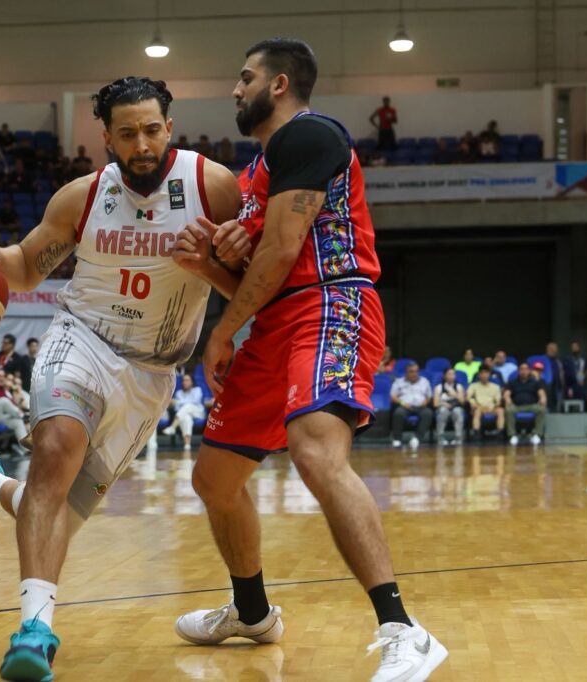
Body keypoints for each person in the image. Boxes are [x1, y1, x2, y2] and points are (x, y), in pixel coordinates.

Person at [0, 76, 246, 681]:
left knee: (56, 512)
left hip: (153, 371)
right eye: (127, 133)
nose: (142, 144)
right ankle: (35, 631)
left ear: (170, 128)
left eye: (152, 130)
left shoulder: (213, 187)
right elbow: (26, 268)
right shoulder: (80, 197)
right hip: (81, 338)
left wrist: (206, 266)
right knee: (55, 453)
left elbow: (251, 281)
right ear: (105, 137)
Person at [171, 40, 446, 682]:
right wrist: (207, 262)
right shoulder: (251, 181)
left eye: (246, 78)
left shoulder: (310, 134)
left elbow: (285, 246)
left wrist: (221, 333)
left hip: (332, 302)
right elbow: (255, 274)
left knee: (317, 452)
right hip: (276, 320)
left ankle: (404, 629)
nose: (235, 90)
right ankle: (252, 611)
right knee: (213, 479)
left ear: (280, 83)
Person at [390, 363, 434, 448]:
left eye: (416, 371)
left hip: (420, 406)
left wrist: (426, 401)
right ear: (406, 372)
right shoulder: (399, 382)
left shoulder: (424, 381)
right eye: (411, 371)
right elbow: (393, 396)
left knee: (428, 413)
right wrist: (402, 403)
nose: (414, 374)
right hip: (405, 406)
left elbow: (429, 395)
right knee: (398, 413)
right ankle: (397, 439)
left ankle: (417, 438)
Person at [504, 362, 548, 446]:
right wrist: (507, 399)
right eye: (521, 369)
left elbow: (541, 392)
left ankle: (537, 434)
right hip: (517, 406)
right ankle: (512, 435)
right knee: (508, 410)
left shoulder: (535, 382)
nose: (524, 371)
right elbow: (507, 393)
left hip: (531, 406)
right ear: (518, 371)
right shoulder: (512, 382)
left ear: (529, 371)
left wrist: (543, 398)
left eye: (526, 369)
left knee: (541, 410)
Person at [161, 373, 207, 452]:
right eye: (183, 380)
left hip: (198, 412)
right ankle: (187, 445)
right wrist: (178, 403)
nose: (184, 382)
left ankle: (173, 427)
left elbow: (194, 402)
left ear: (192, 382)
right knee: (186, 417)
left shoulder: (197, 390)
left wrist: (178, 402)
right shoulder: (179, 393)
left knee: (188, 406)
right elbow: (177, 408)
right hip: (184, 413)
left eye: (187, 380)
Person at [467, 366, 505, 435]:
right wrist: (474, 403)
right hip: (479, 407)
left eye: (486, 373)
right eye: (482, 373)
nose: (484, 375)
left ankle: (500, 432)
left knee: (501, 411)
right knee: (476, 411)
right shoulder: (473, 386)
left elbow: (498, 400)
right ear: (479, 375)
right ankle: (476, 432)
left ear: (489, 374)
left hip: (492, 408)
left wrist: (495, 406)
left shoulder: (495, 387)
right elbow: (468, 397)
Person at [433, 367, 465, 444]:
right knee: (442, 412)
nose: (452, 376)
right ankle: (440, 438)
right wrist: (444, 404)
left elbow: (463, 402)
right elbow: (435, 403)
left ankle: (458, 438)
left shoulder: (459, 387)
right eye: (449, 374)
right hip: (443, 406)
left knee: (457, 412)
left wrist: (455, 395)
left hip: (456, 407)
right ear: (444, 376)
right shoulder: (439, 387)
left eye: (453, 374)